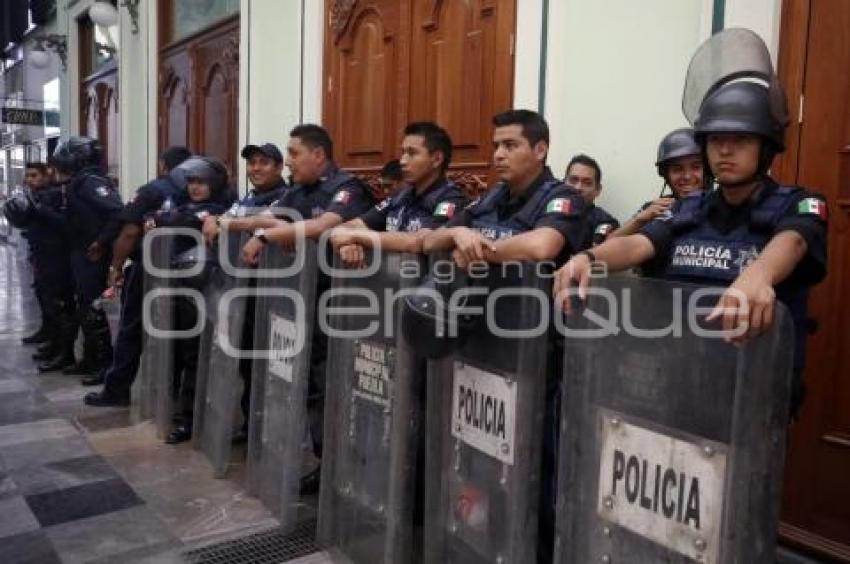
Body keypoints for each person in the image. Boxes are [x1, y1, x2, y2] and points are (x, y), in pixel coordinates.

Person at [554, 80, 827, 420]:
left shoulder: (800, 203)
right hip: (679, 384)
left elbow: (795, 239)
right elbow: (639, 244)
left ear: (766, 146)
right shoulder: (689, 208)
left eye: (740, 140)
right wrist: (588, 258)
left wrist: (758, 275)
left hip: (750, 396)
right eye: (715, 140)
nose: (725, 151)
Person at [419, 110, 589, 564]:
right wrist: (457, 230)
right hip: (486, 349)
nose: (498, 154)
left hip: (539, 360)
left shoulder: (563, 198)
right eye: (495, 145)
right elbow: (433, 240)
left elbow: (541, 248)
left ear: (540, 149)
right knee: (484, 466)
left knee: (537, 474)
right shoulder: (493, 196)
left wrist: (477, 248)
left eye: (510, 145)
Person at [212, 125, 376, 492]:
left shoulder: (346, 189)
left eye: (294, 152)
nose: (288, 161)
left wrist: (271, 236)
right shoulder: (297, 191)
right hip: (306, 307)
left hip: (348, 311)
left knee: (343, 391)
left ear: (318, 154)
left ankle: (353, 469)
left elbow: (324, 225)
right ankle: (328, 465)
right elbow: (268, 217)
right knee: (315, 390)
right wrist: (239, 225)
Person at [83, 146, 193, 405]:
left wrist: (115, 268)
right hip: (188, 271)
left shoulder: (153, 190)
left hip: (151, 269)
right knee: (179, 333)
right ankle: (173, 392)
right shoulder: (201, 188)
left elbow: (130, 232)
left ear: (163, 165)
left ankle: (117, 390)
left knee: (131, 329)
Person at [148, 157, 233, 443]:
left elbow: (176, 219)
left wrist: (161, 219)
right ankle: (177, 409)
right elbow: (169, 216)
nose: (195, 188)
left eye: (202, 182)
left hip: (205, 290)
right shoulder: (187, 205)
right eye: (192, 182)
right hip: (179, 287)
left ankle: (191, 418)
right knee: (179, 351)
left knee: (197, 356)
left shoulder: (218, 210)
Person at [330, 121, 467, 267]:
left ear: (437, 159)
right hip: (388, 282)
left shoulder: (451, 199)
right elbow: (344, 228)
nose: (402, 161)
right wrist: (347, 245)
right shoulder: (400, 197)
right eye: (403, 153)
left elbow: (418, 242)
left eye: (412, 153)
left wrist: (356, 236)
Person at [43, 137, 123, 374]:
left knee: (93, 308)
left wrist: (101, 241)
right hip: (80, 250)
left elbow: (117, 211)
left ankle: (102, 363)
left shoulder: (91, 181)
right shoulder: (79, 180)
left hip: (92, 253)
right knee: (84, 306)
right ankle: (90, 359)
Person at [609, 127, 706, 238]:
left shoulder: (720, 207)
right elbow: (607, 245)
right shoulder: (654, 208)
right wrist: (639, 220)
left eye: (696, 167)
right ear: (666, 175)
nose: (687, 176)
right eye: (677, 169)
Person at [19, 162, 54, 345]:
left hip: (53, 254)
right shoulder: (33, 196)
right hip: (38, 250)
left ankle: (58, 344)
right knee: (41, 292)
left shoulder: (52, 196)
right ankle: (46, 331)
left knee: (53, 298)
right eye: (28, 176)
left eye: (34, 175)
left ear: (45, 176)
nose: (30, 180)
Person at [563, 153, 620, 248]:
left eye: (587, 183)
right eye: (573, 180)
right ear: (563, 183)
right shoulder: (547, 210)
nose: (578, 188)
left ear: (598, 190)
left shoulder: (604, 221)